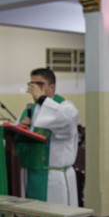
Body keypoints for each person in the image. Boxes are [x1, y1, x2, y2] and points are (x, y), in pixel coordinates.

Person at [17, 68, 79, 206]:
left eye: (40, 84)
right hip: (29, 173)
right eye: (32, 84)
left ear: (52, 87)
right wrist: (20, 128)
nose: (34, 88)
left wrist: (42, 99)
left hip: (54, 178)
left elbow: (67, 120)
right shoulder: (29, 110)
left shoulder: (65, 107)